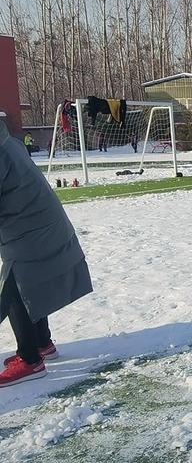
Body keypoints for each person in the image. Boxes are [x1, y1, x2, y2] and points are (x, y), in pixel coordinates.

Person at [0, 121, 93, 387]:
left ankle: (30, 360)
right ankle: (42, 344)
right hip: (40, 222)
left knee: (16, 288)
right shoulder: (8, 140)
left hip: (29, 228)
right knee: (32, 281)